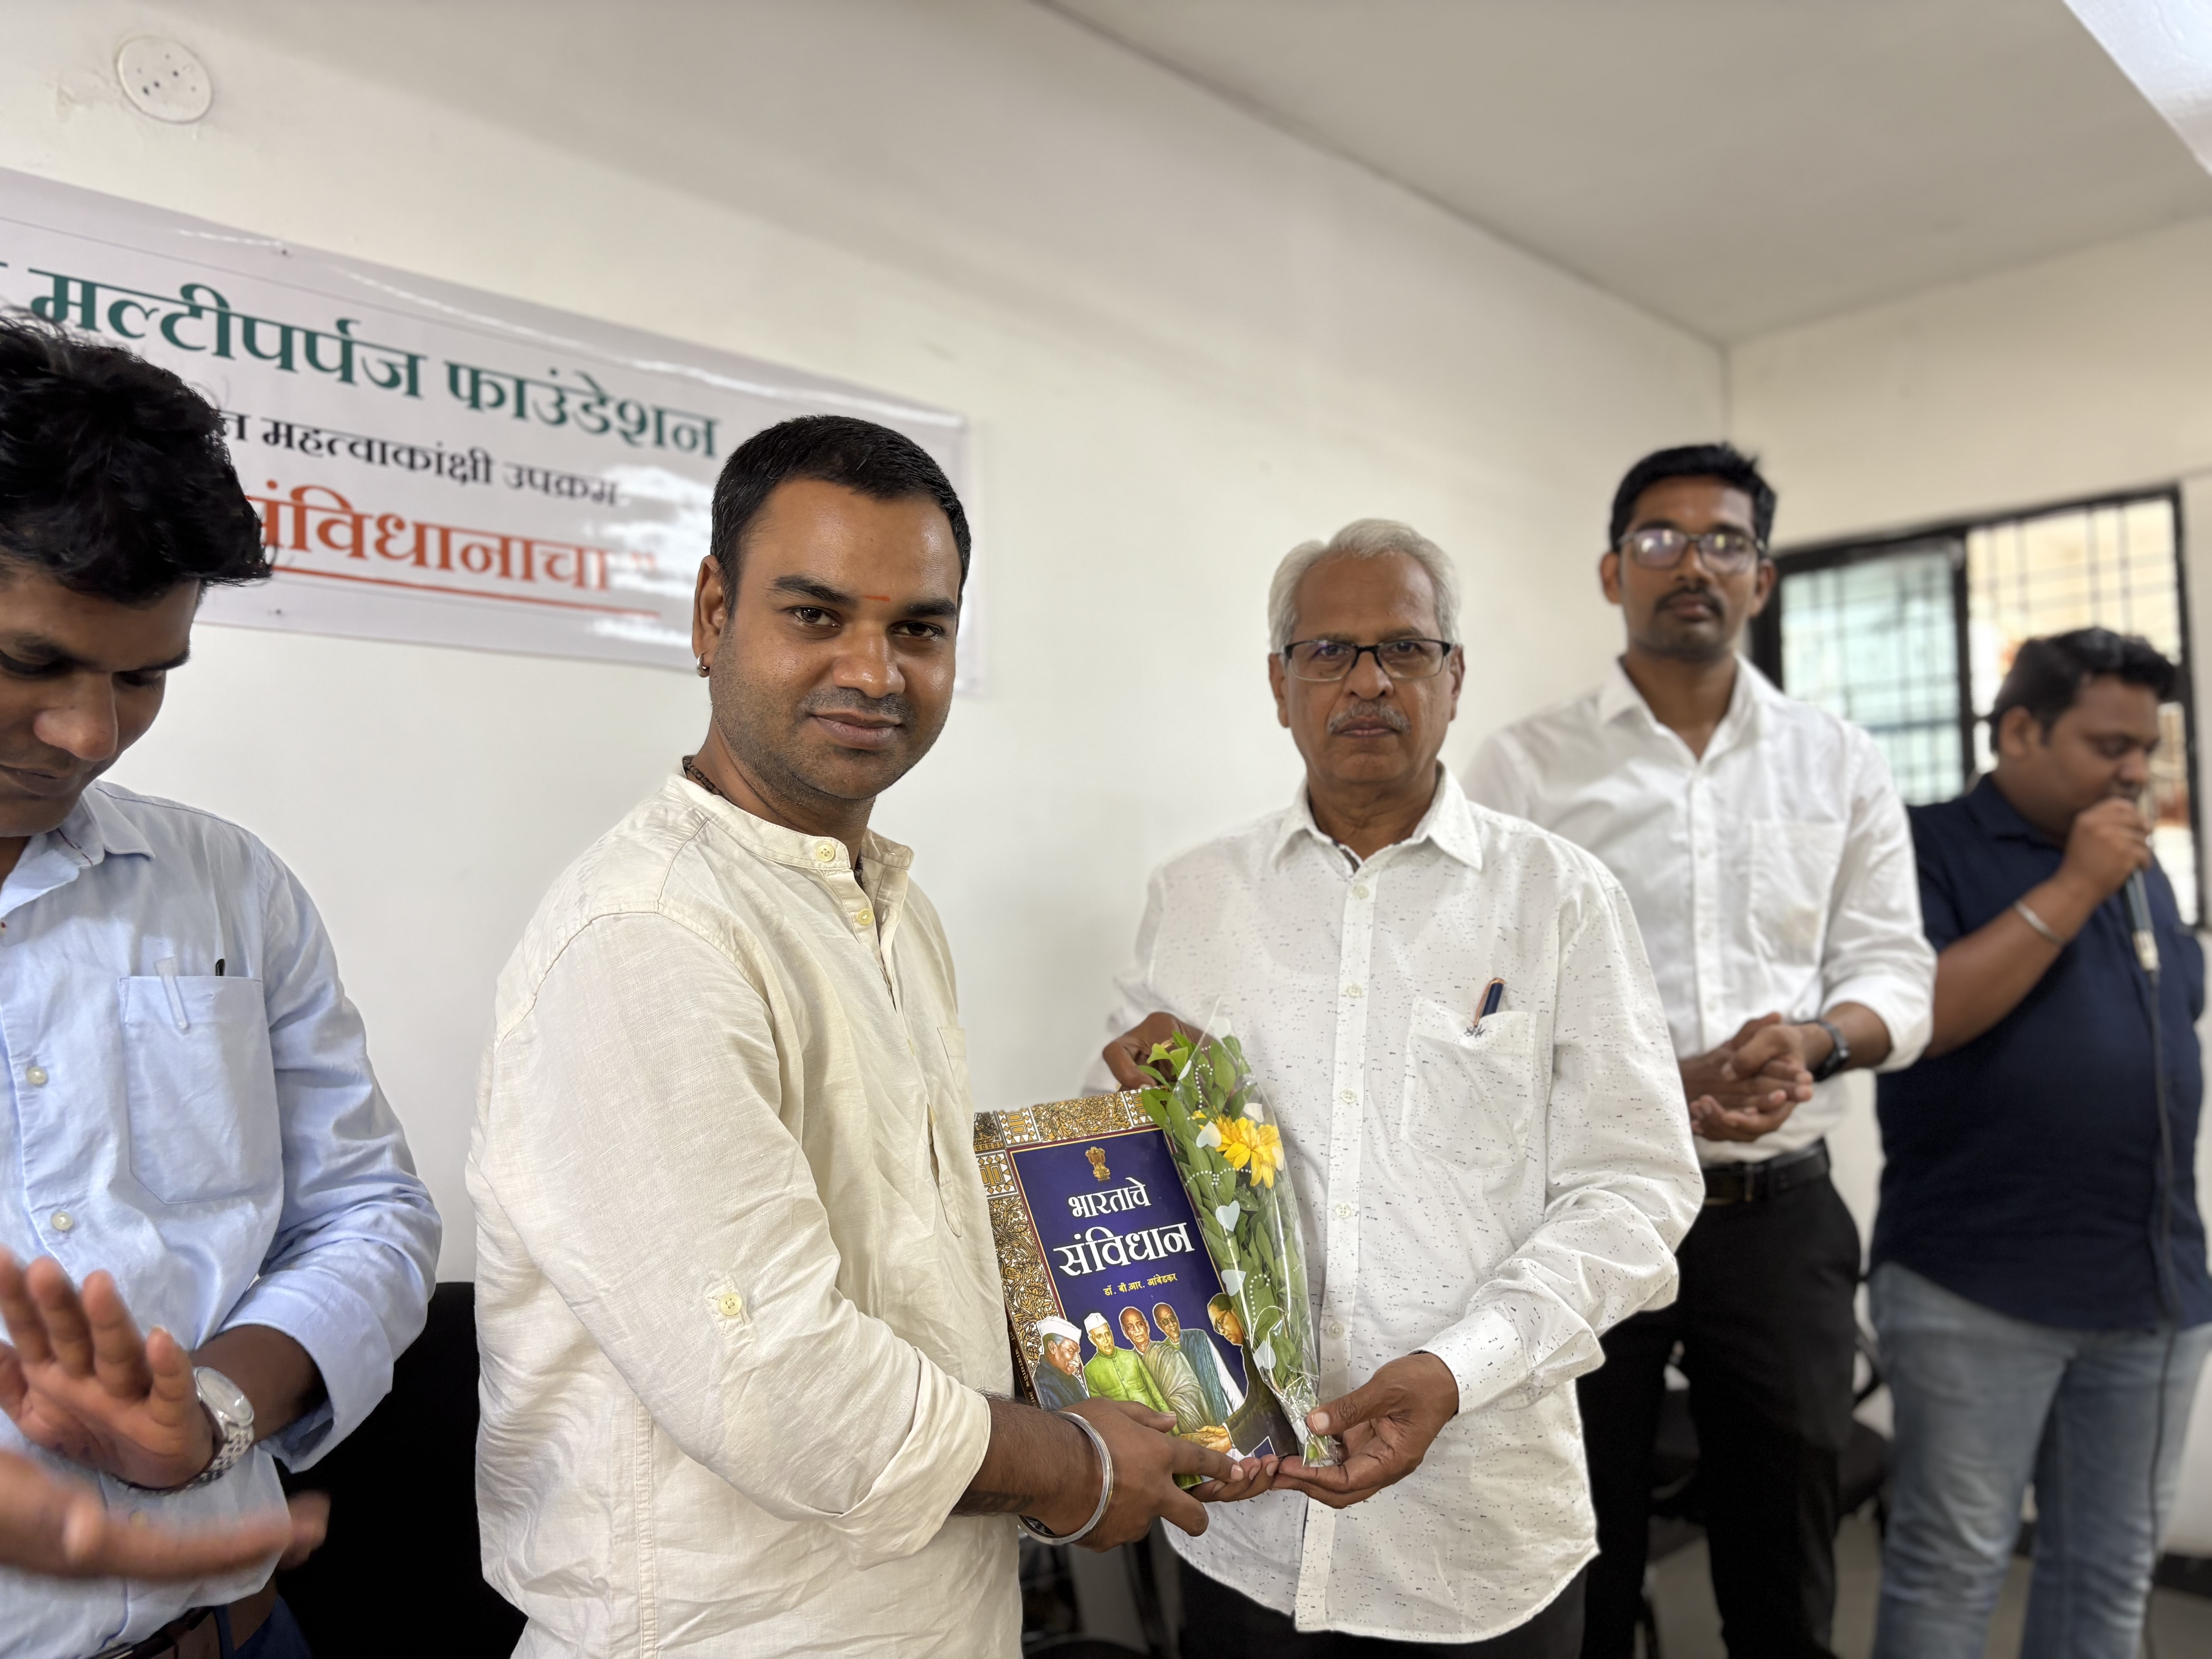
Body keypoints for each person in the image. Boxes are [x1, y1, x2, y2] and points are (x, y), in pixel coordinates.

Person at [471, 415, 1264, 1658]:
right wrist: (1079, 1465)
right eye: (815, 615)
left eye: (919, 630)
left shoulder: (887, 905)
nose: (874, 670)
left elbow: (912, 1279)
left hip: (934, 1616)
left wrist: (1130, 1317)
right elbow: (772, 1380)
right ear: (712, 615)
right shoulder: (650, 932)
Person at [1097, 519, 1701, 1654]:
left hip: (1475, 1540)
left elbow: (1636, 1189)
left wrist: (1460, 1370)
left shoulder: (1558, 897)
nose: (1367, 681)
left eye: (1405, 650)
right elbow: (1131, 1177)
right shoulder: (1193, 899)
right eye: (1328, 652)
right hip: (1245, 1529)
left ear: (1454, 677)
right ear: (1278, 684)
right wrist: (1132, 1107)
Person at [0, 317, 442, 1657]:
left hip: (239, 1632)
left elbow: (369, 1213)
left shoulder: (227, 888)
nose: (89, 733)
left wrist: (215, 1414)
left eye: (144, 678)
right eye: (31, 663)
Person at [1467, 443, 1935, 1659]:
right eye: (1661, 539)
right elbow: (1479, 999)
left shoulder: (1837, 759)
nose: (1694, 564)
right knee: (1581, 1551)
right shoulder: (1524, 765)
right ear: (1611, 571)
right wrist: (1658, 1088)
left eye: (1724, 540)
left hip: (1777, 1215)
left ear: (1760, 578)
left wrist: (1815, 1042)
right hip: (1586, 1206)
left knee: (1785, 1574)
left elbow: (1897, 971)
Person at [1870, 629, 2212, 1659]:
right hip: (1977, 1288)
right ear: (2020, 731)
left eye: (2146, 748)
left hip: (2150, 1289)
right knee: (1952, 1567)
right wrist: (2075, 883)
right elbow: (1922, 1013)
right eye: (2110, 745)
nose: (2135, 771)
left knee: (2109, 1574)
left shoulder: (2135, 862)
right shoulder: (1924, 845)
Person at [1157, 1303, 1237, 1429]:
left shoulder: (1199, 1337)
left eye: (1173, 1318)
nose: (1172, 1325)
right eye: (1165, 1322)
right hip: (1193, 1420)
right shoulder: (1163, 1354)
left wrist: (1241, 1412)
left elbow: (1223, 1376)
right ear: (1159, 1326)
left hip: (1218, 1408)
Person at [1080, 1312, 1172, 1415]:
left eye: (1107, 1334)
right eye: (1099, 1337)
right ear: (1092, 1340)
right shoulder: (1090, 1371)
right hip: (1126, 1424)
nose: (1106, 1341)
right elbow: (1101, 1411)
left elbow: (1154, 1393)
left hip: (1153, 1419)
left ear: (1112, 1334)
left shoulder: (1132, 1357)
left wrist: (1172, 1423)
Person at [1032, 1321, 1091, 1412]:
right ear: (1052, 1348)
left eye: (1077, 1353)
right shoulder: (1042, 1383)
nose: (1077, 1360)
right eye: (1071, 1351)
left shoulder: (1074, 1381)